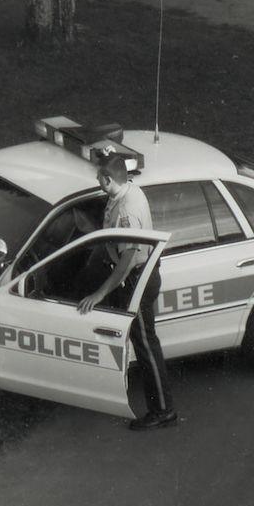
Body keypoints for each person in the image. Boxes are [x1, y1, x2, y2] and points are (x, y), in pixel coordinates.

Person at [92, 142, 176, 430]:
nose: (97, 181)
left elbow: (127, 259)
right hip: (140, 275)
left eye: (98, 177)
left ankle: (163, 410)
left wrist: (99, 293)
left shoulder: (126, 209)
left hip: (137, 280)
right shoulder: (129, 191)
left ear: (107, 180)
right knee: (144, 341)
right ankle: (161, 407)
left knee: (145, 344)